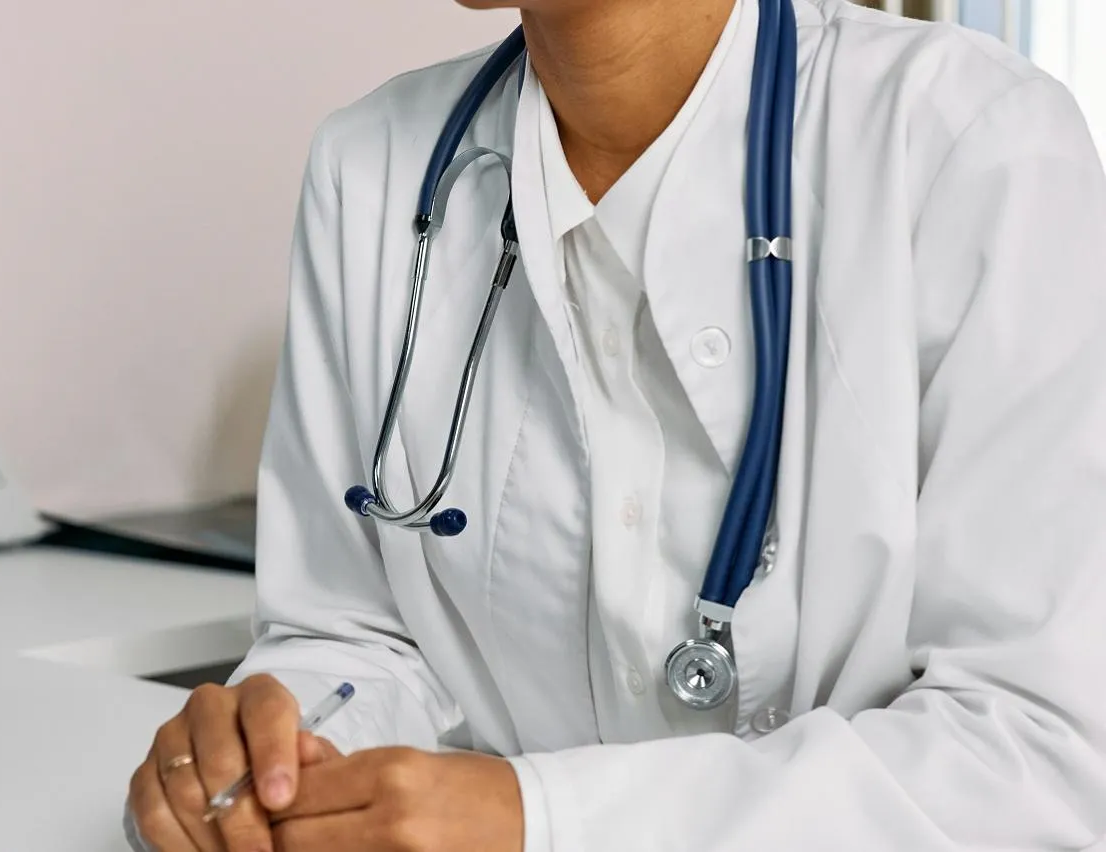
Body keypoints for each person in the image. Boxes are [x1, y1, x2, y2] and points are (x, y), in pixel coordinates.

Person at [127, 0, 1106, 849]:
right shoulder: (374, 168)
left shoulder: (973, 145)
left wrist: (545, 823)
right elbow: (355, 636)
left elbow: (1037, 760)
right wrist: (280, 750)